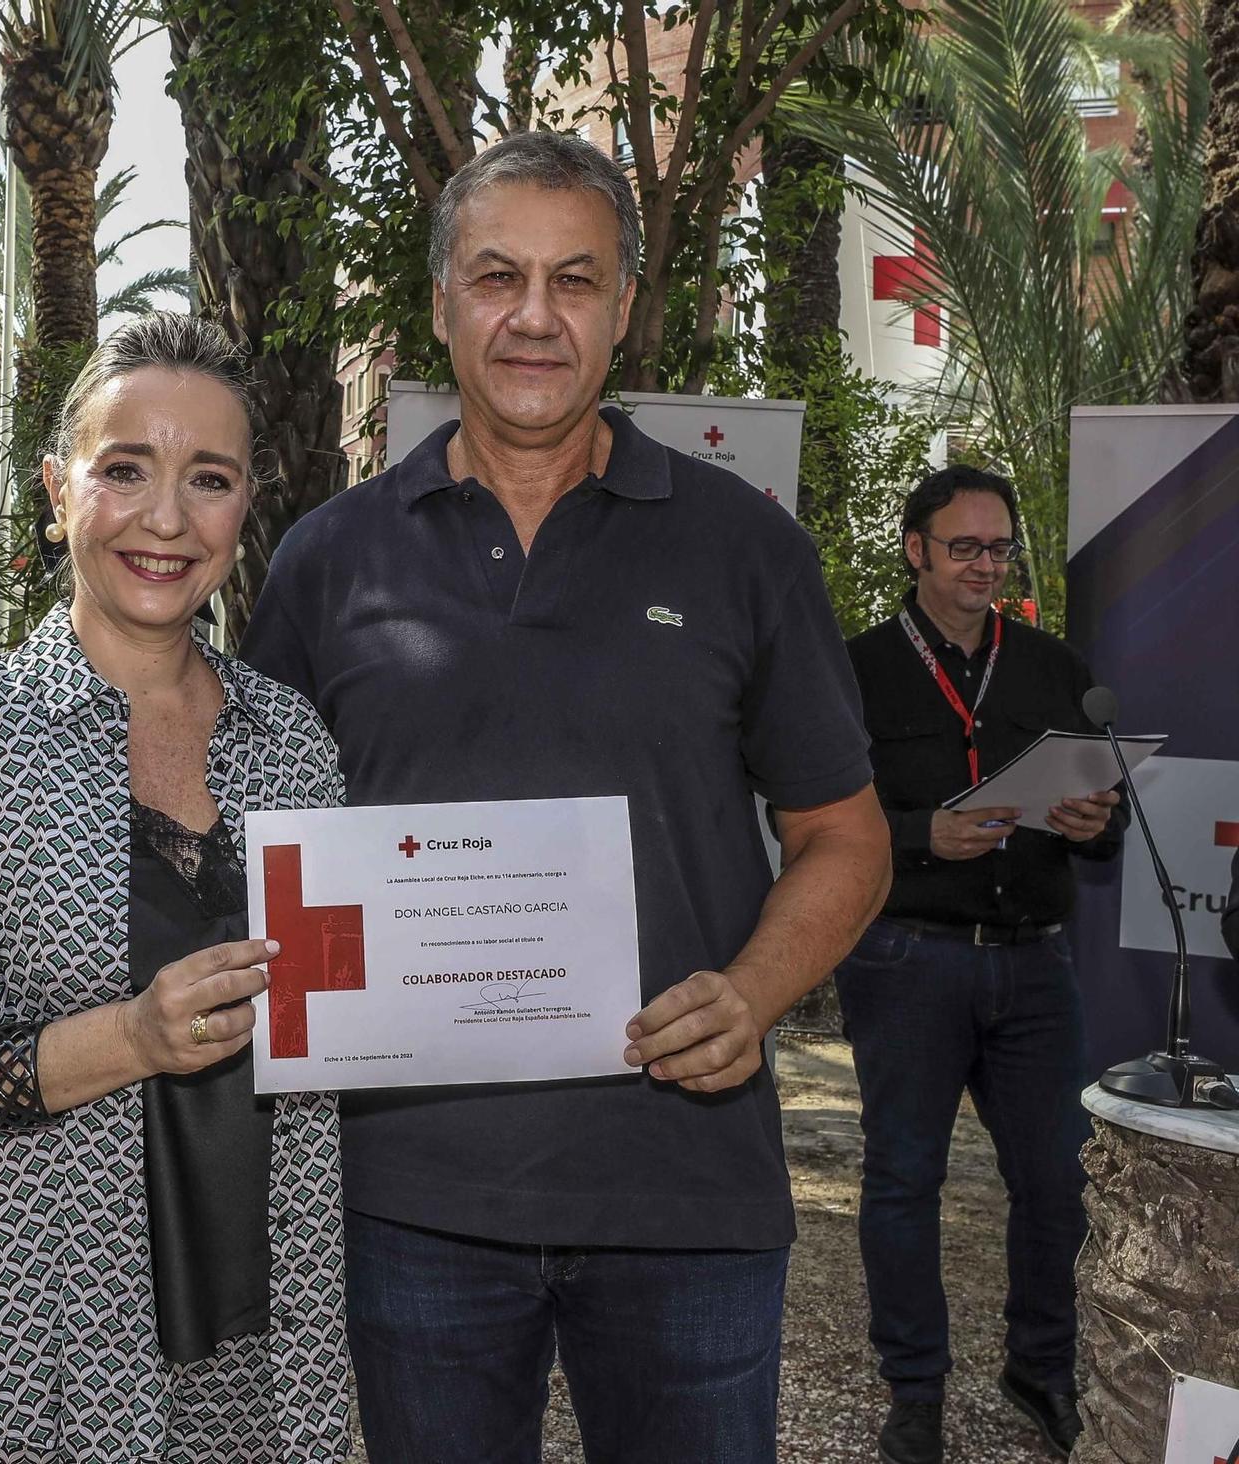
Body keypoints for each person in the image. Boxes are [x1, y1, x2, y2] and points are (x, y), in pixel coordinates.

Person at [241, 129, 892, 1464]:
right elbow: (261, 849)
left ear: (626, 309)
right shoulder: (328, 560)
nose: (534, 317)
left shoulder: (745, 546)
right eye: (497, 277)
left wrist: (755, 993)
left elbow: (848, 839)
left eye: (575, 281)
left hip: (686, 1195)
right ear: (441, 304)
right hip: (410, 1203)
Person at [0, 314, 350, 1463]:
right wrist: (130, 1038)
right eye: (125, 471)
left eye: (205, 479)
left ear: (245, 503)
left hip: (256, 1331)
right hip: (25, 1345)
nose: (165, 519)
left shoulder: (294, 747)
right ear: (57, 492)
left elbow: (344, 1013)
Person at [836, 465, 1127, 1464]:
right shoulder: (854, 670)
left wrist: (1096, 821)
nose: (982, 566)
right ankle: (912, 1388)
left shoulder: (1051, 668)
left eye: (996, 548)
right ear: (913, 549)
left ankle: (1038, 1370)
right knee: (901, 1182)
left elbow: (1102, 819)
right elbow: (815, 824)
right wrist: (922, 835)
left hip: (1033, 967)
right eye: (962, 547)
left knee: (1055, 1180)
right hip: (906, 958)